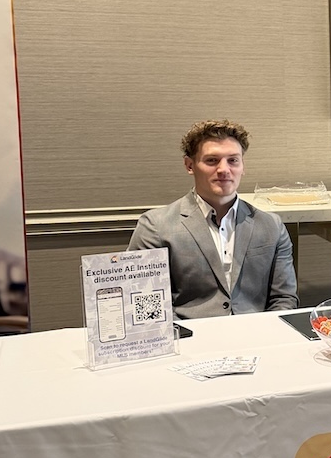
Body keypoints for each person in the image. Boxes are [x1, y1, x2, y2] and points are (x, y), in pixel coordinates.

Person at [128, 119, 298, 319]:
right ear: (190, 165)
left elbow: (285, 299)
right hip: (190, 341)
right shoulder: (155, 226)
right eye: (212, 161)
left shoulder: (271, 226)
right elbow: (147, 302)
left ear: (243, 166)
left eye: (233, 160)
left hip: (257, 337)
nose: (224, 169)